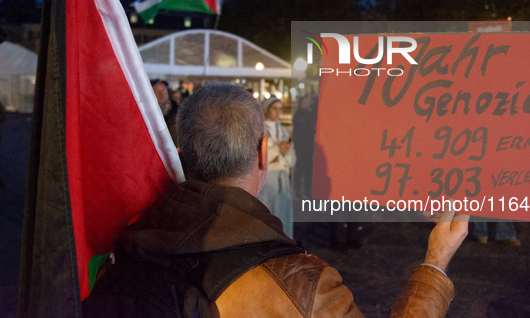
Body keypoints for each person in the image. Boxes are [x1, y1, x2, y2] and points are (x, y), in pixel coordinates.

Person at [82, 84, 469, 317]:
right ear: (264, 153)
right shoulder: (303, 285)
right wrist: (435, 262)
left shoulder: (125, 251)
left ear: (182, 154)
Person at [257, 95, 296, 238]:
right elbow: (261, 156)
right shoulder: (260, 130)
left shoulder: (283, 130)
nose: (278, 112)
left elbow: (292, 158)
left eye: (280, 109)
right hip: (268, 179)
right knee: (269, 211)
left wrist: (283, 152)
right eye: (275, 109)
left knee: (283, 212)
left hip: (282, 176)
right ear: (267, 109)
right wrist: (278, 150)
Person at [151, 78, 178, 145]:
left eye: (163, 90)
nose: (162, 94)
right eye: (158, 91)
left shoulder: (178, 111)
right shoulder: (149, 116)